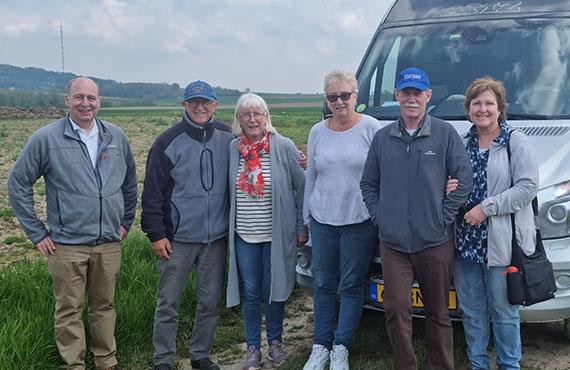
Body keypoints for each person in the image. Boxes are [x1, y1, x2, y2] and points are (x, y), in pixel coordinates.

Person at [8, 77, 137, 370]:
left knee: (104, 306)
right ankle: (73, 364)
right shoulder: (47, 138)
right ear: (67, 100)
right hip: (67, 245)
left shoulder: (115, 136)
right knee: (69, 310)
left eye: (91, 98)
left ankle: (106, 361)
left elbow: (129, 181)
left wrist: (126, 221)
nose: (85, 103)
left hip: (108, 242)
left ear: (99, 101)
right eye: (79, 97)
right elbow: (18, 183)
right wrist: (37, 232)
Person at [360, 67, 473, 370]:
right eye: (406, 93)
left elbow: (464, 180)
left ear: (428, 96)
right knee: (396, 310)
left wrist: (443, 216)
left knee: (438, 313)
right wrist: (380, 217)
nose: (412, 99)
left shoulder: (445, 134)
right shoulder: (383, 138)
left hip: (435, 242)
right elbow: (368, 184)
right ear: (396, 95)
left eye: (417, 93)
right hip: (394, 244)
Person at [141, 80, 233, 370]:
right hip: (177, 239)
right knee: (168, 303)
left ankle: (200, 354)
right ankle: (163, 360)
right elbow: (152, 193)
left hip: (215, 238)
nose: (200, 107)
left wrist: (297, 159)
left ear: (215, 104)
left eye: (205, 101)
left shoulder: (229, 136)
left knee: (209, 302)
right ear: (184, 105)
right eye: (193, 102)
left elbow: (262, 145)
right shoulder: (167, 142)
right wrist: (156, 234)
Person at [452, 77, 538, 369]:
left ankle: (509, 365)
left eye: (489, 103)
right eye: (477, 103)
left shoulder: (515, 141)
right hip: (465, 244)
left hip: (501, 244)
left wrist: (485, 209)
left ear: (500, 108)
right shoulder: (461, 143)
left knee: (504, 312)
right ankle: (478, 364)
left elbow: (527, 188)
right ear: (468, 109)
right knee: (472, 312)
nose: (483, 109)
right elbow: (451, 182)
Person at [302, 70, 382, 370]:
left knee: (350, 285)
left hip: (359, 220)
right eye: (333, 96)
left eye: (344, 95)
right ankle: (320, 345)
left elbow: (380, 176)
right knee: (323, 284)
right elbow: (311, 177)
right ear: (326, 99)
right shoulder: (317, 132)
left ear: (355, 96)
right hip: (323, 220)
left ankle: (341, 347)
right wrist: (306, 217)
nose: (339, 101)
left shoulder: (372, 129)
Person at [225, 93, 307, 370]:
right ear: (239, 119)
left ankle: (275, 343)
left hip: (276, 235)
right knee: (250, 291)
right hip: (244, 235)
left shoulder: (283, 147)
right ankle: (252, 348)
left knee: (274, 290)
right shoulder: (232, 149)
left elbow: (302, 186)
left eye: (257, 114)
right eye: (246, 114)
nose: (252, 119)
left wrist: (300, 226)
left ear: (266, 117)